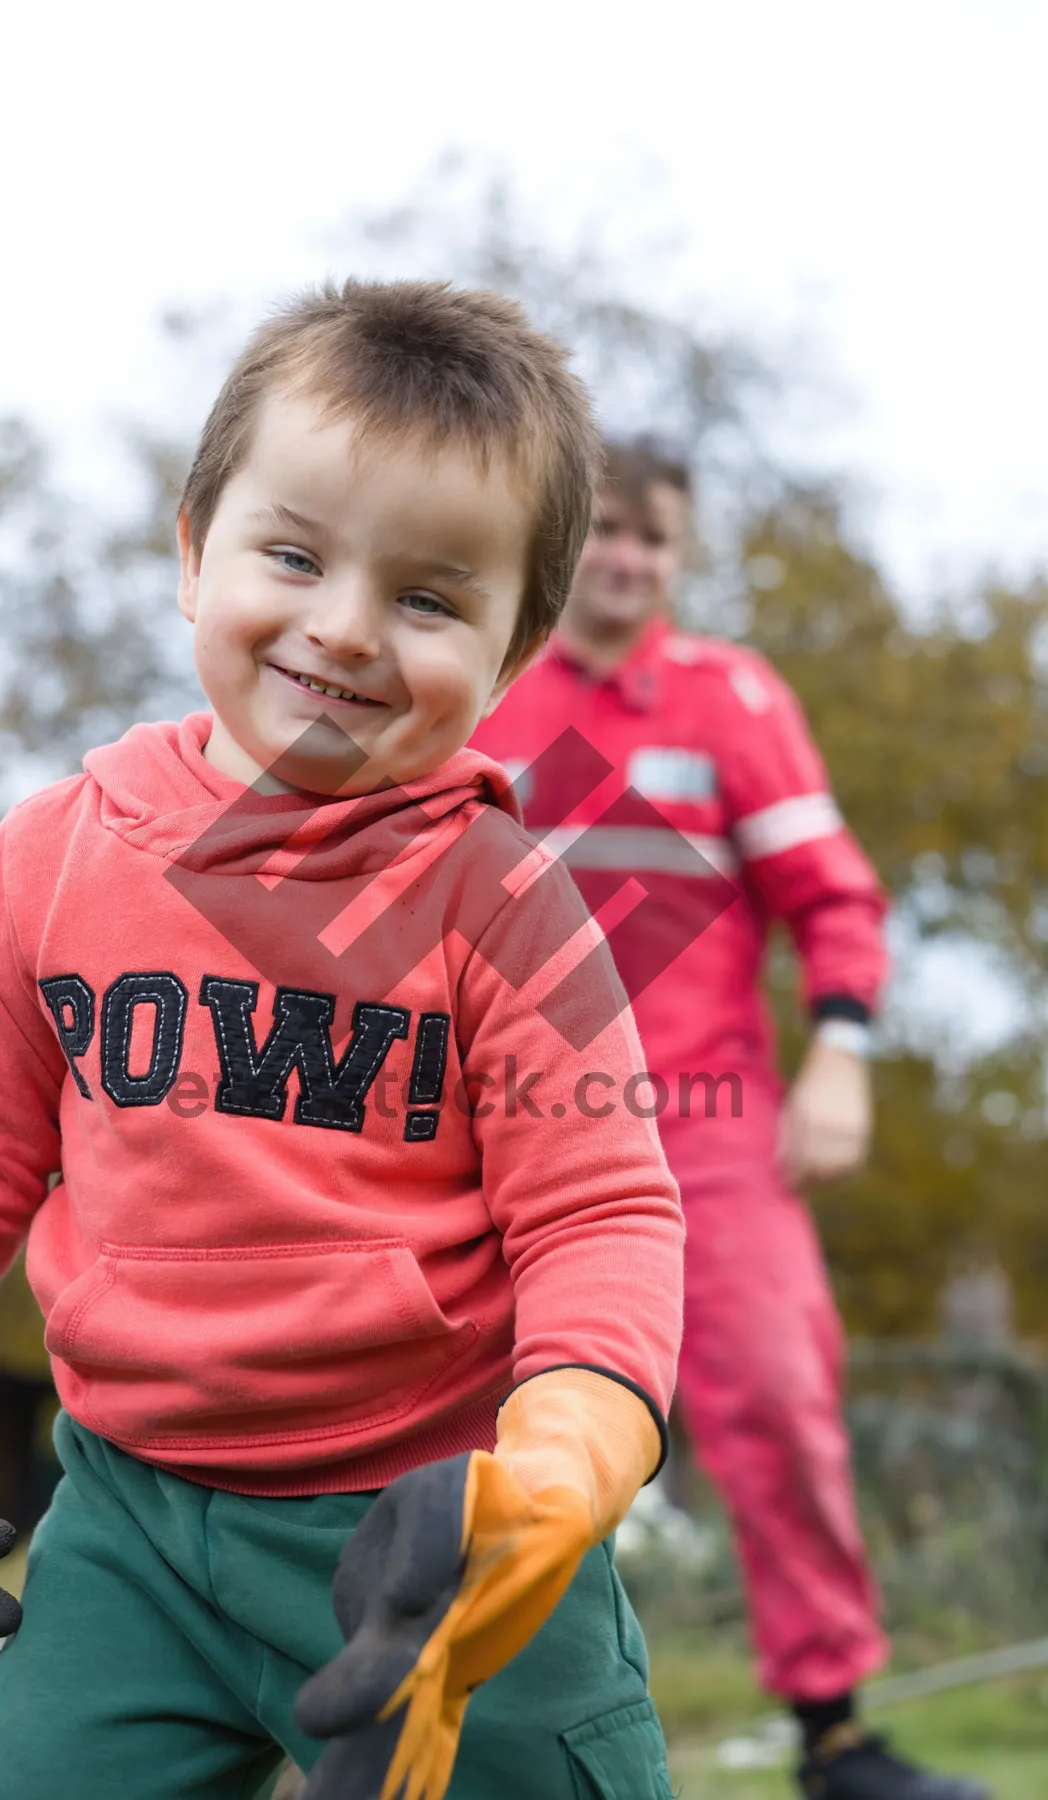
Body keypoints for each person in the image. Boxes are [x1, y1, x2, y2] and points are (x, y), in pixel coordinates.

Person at [0, 284, 685, 1800]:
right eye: (293, 555)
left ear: (516, 647)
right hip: (124, 1525)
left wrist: (556, 1477)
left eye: (431, 599)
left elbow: (605, 1214)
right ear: (193, 548)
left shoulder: (506, 906)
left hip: (430, 1532)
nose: (347, 628)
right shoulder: (53, 855)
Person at [470, 437, 989, 1800]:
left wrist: (844, 1058)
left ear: (678, 559)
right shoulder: (482, 686)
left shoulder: (732, 699)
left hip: (708, 1119)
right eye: (613, 534)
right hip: (497, 1117)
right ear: (564, 537)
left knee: (779, 1396)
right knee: (456, 1416)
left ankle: (834, 1737)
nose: (632, 562)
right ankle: (433, 1708)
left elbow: (835, 897)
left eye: (660, 541)